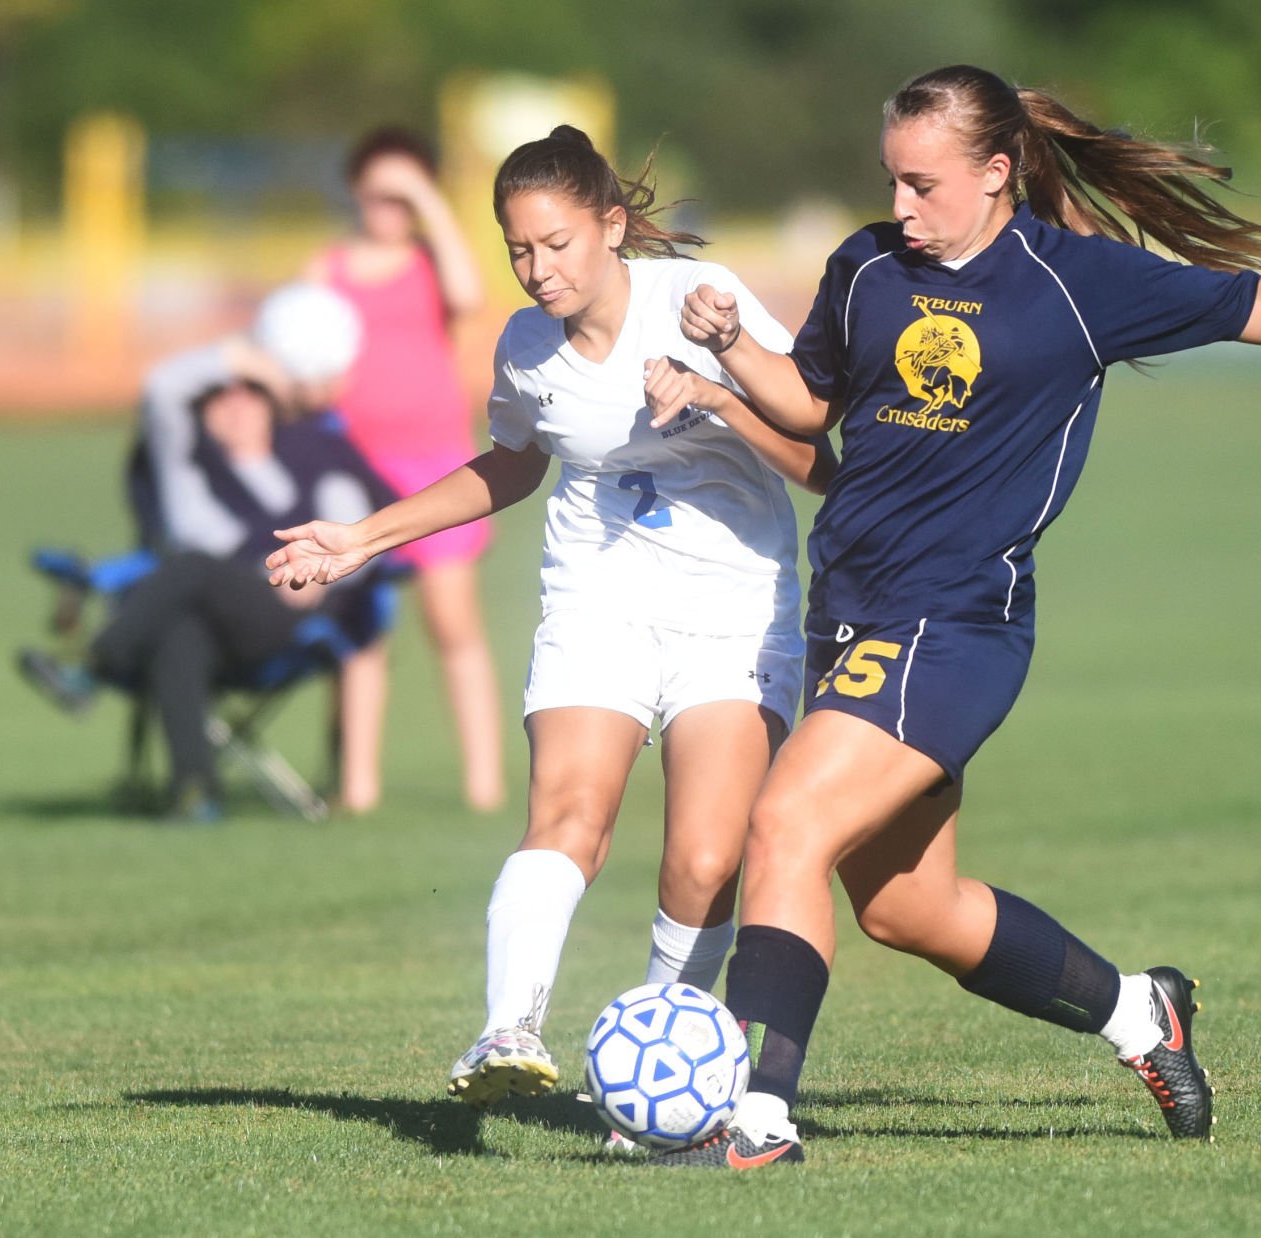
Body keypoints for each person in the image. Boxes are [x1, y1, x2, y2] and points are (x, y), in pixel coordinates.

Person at [647, 64, 1261, 1168]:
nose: (901, 206)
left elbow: (1260, 307)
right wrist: (729, 348)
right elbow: (813, 403)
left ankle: (758, 1114)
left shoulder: (1075, 281)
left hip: (954, 620)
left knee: (783, 826)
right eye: (892, 181)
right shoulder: (863, 265)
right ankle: (1139, 1011)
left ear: (997, 173)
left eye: (923, 183)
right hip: (847, 611)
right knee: (910, 907)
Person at [265, 127, 836, 1122]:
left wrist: (713, 389)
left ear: (612, 227)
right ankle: (508, 1026)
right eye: (519, 249)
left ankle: (658, 1087)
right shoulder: (527, 346)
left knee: (705, 860)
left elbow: (818, 458)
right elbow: (513, 462)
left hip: (732, 612)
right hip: (595, 600)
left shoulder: (701, 304)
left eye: (558, 243)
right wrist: (363, 538)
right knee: (569, 815)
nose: (538, 269)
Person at [19, 304, 397, 822]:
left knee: (191, 567)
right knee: (181, 631)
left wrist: (328, 580)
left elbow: (378, 530)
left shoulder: (312, 453)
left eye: (250, 393)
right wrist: (246, 359)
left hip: (284, 619)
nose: (236, 404)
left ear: (273, 403)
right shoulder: (187, 469)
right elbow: (164, 388)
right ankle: (196, 793)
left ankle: (92, 668)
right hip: (211, 621)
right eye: (222, 395)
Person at [306, 125, 504, 814]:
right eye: (378, 191)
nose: (388, 206)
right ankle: (357, 788)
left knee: (453, 625)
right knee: (359, 632)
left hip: (436, 465)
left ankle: (485, 787)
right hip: (354, 469)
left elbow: (470, 295)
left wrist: (427, 196)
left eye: (403, 193)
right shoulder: (326, 269)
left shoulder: (430, 263)